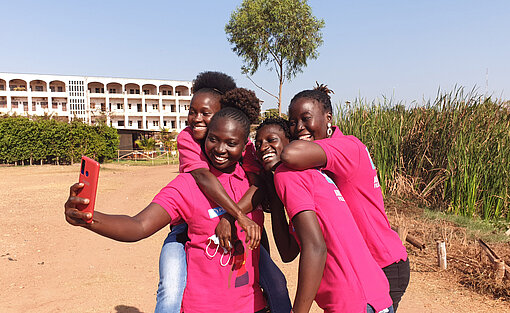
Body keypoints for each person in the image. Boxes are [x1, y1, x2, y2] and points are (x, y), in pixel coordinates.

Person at [64, 100, 267, 313]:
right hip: (201, 307)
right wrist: (88, 218)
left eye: (230, 143)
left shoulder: (252, 185)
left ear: (245, 147)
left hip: (252, 306)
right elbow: (139, 225)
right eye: (213, 139)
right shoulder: (188, 184)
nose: (219, 149)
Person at [165, 73, 290, 313]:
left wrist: (232, 217)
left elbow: (258, 184)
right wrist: (235, 215)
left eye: (206, 113)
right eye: (193, 111)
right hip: (185, 228)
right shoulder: (188, 139)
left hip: (236, 222)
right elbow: (203, 177)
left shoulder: (243, 145)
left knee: (275, 283)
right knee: (170, 290)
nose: (197, 118)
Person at [280, 84, 410, 311]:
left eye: (306, 118)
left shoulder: (346, 147)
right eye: (292, 122)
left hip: (381, 261)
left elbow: (290, 154)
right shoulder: (317, 161)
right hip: (360, 267)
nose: (299, 127)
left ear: (328, 118)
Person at [255, 117, 394, 313]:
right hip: (374, 297)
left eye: (271, 140)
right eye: (258, 143)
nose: (263, 147)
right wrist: (275, 196)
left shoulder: (287, 174)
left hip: (352, 302)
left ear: (289, 144)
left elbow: (315, 247)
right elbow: (287, 252)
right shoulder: (312, 174)